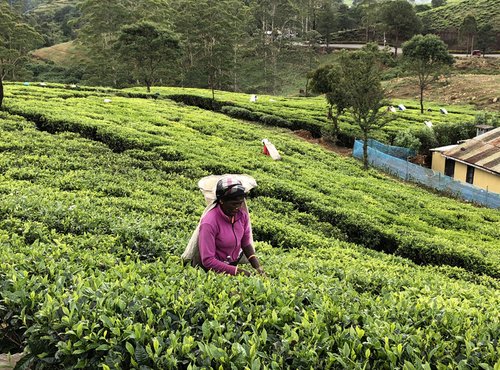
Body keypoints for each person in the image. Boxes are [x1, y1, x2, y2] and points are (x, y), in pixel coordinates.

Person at [198, 177, 264, 276]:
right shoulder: (209, 222)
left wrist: (258, 267)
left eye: (240, 203)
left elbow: (245, 243)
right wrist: (237, 272)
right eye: (233, 204)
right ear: (222, 201)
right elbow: (207, 260)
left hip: (232, 264)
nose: (237, 208)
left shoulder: (242, 216)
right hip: (213, 271)